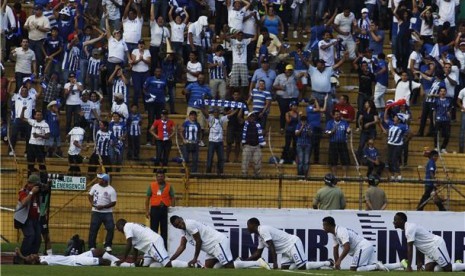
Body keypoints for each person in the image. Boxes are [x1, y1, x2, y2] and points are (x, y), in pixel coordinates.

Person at [169, 215, 269, 269]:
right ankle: (237, 261)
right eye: (177, 226)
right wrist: (170, 260)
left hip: (217, 242)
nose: (180, 225)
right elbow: (182, 246)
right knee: (208, 267)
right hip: (211, 248)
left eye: (179, 223)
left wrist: (195, 258)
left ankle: (258, 263)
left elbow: (198, 241)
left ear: (182, 219)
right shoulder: (183, 230)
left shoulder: (189, 224)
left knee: (229, 266)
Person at [247, 217, 334, 270]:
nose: (247, 227)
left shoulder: (262, 229)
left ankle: (328, 263)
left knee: (301, 267)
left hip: (292, 243)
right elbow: (258, 253)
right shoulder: (260, 236)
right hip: (286, 250)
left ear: (254, 224)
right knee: (286, 267)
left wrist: (275, 262)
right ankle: (316, 265)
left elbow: (271, 245)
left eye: (248, 225)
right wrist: (245, 261)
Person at [393, 212, 465, 272]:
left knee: (448, 268)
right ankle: (456, 265)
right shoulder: (407, 229)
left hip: (435, 245)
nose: (394, 222)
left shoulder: (409, 229)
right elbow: (418, 246)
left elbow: (410, 249)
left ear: (401, 221)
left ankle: (459, 264)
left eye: (395, 220)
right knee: (428, 270)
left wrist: (409, 267)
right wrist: (419, 262)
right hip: (429, 250)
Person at [322, 216, 395, 271]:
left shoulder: (340, 231)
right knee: (370, 267)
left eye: (324, 225)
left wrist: (339, 261)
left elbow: (347, 248)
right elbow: (335, 250)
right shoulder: (334, 234)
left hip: (362, 247)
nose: (323, 227)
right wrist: (336, 264)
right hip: (365, 247)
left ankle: (376, 266)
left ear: (329, 225)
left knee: (354, 269)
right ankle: (398, 265)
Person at [115, 219, 188, 268]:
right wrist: (134, 263)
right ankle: (162, 261)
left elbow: (129, 244)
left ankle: (190, 264)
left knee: (167, 264)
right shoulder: (132, 227)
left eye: (119, 229)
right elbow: (135, 248)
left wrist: (123, 259)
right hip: (150, 247)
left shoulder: (127, 226)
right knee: (147, 265)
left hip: (153, 242)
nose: (120, 231)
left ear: (121, 225)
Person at [14, 175, 42, 259]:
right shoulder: (23, 191)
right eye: (35, 185)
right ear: (30, 184)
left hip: (35, 218)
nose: (37, 187)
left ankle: (32, 257)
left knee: (37, 238)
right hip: (24, 218)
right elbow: (24, 203)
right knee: (30, 235)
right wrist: (31, 192)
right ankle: (21, 256)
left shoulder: (38, 192)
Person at [145, 169, 175, 248]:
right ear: (156, 177)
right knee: (153, 229)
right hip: (155, 209)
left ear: (164, 177)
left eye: (161, 176)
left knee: (164, 230)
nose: (160, 178)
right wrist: (147, 211)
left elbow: (173, 198)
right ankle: (153, 247)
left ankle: (164, 248)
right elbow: (147, 198)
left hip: (165, 210)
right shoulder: (152, 185)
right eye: (158, 176)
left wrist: (172, 209)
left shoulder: (169, 186)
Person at [88, 173, 117, 252]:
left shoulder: (111, 190)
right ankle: (92, 246)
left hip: (107, 212)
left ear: (104, 181)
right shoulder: (95, 186)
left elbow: (114, 202)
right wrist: (92, 204)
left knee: (110, 228)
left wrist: (103, 207)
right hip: (96, 211)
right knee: (93, 229)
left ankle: (108, 245)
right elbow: (90, 195)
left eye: (100, 179)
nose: (98, 180)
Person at [15, 247, 128, 266]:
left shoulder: (42, 256)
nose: (31, 254)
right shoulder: (44, 263)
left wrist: (22, 256)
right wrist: (21, 256)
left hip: (76, 256)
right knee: (104, 261)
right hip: (76, 262)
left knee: (99, 251)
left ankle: (122, 263)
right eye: (30, 256)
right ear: (34, 262)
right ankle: (127, 266)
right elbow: (41, 265)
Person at [205, 108, 237, 174]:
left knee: (221, 158)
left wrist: (238, 108)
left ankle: (220, 172)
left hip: (220, 142)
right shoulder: (211, 119)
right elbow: (205, 114)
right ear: (213, 113)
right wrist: (201, 107)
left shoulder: (221, 119)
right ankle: (208, 172)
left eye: (217, 112)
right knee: (210, 157)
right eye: (215, 112)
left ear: (219, 113)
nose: (216, 113)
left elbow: (230, 115)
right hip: (212, 141)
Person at [20, 106, 50, 175]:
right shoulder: (32, 121)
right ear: (35, 116)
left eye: (40, 115)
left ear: (42, 116)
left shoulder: (45, 124)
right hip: (31, 145)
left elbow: (48, 136)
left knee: (41, 164)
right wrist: (23, 110)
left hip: (40, 146)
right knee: (30, 163)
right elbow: (22, 118)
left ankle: (44, 180)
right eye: (37, 115)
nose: (39, 116)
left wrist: (39, 135)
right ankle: (29, 180)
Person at [325, 110, 351, 178]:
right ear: (333, 116)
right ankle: (334, 175)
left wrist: (348, 131)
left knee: (344, 160)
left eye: (339, 114)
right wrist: (332, 131)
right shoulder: (330, 123)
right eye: (336, 114)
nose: (338, 115)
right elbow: (327, 132)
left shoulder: (344, 122)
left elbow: (348, 130)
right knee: (333, 160)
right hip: (333, 143)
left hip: (343, 143)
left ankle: (345, 175)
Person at [241, 112, 266, 176]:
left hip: (257, 146)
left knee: (257, 162)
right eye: (251, 116)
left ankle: (257, 175)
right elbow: (239, 118)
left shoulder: (258, 125)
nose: (252, 118)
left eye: (253, 116)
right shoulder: (244, 124)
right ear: (248, 118)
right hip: (247, 146)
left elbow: (261, 134)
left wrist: (263, 134)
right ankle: (244, 175)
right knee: (245, 161)